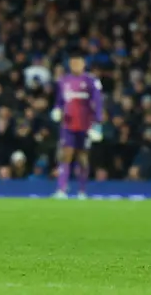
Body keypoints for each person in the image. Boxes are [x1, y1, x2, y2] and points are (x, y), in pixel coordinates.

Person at [50, 50, 104, 200]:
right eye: (73, 62)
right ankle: (61, 189)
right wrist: (56, 109)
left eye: (78, 62)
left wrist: (97, 124)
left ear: (83, 64)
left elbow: (98, 102)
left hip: (85, 125)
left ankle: (82, 191)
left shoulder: (91, 80)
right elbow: (60, 101)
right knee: (65, 155)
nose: (76, 65)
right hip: (68, 124)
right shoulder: (63, 81)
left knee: (82, 157)